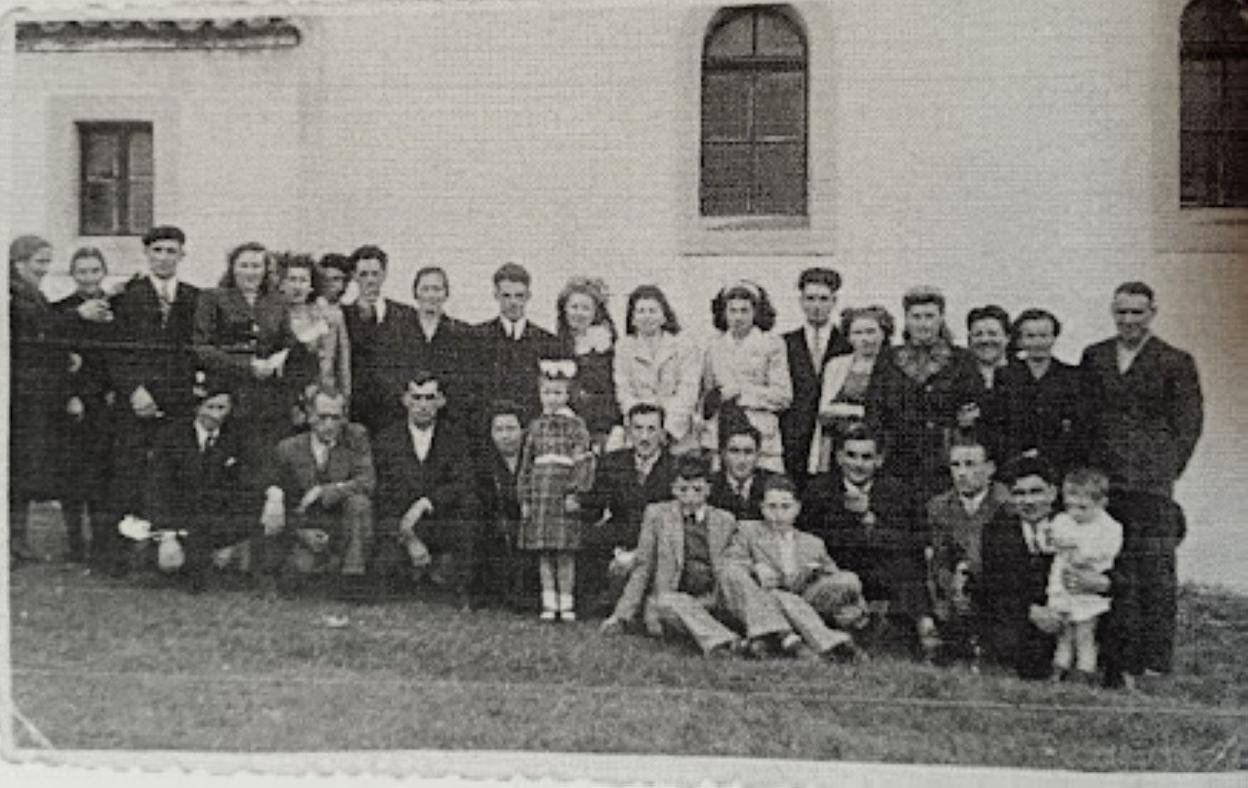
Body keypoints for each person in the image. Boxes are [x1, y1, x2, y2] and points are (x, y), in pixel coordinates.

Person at [1080, 281, 1203, 679]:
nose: (1128, 320)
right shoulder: (1095, 356)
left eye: (1137, 312)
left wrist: (1165, 470)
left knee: (1154, 569)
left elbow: (1188, 425)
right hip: (1106, 483)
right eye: (1122, 312)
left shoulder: (1175, 361)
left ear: (1152, 312)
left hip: (1150, 486)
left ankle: (1153, 659)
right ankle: (1110, 655)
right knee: (1107, 566)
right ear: (1112, 312)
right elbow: (1085, 419)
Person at [600, 453, 793, 658]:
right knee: (667, 601)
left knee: (734, 573)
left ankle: (774, 634)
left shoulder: (724, 519)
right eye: (683, 490)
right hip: (675, 600)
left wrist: (756, 567)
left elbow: (736, 559)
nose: (690, 497)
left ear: (709, 490)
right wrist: (620, 615)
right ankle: (729, 642)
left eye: (698, 490)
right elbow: (643, 567)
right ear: (673, 488)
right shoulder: (657, 515)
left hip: (713, 598)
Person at [100, 225, 200, 574]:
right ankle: (119, 557)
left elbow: (197, 351)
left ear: (182, 255)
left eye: (170, 251)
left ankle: (169, 552)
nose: (163, 258)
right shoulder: (127, 296)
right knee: (128, 471)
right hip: (136, 399)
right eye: (156, 250)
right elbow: (114, 351)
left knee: (171, 472)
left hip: (178, 401)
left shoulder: (195, 298)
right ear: (146, 254)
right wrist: (133, 390)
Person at [800, 423, 928, 653]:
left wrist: (870, 520)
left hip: (881, 573)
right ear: (839, 457)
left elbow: (909, 542)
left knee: (908, 567)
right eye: (851, 455)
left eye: (866, 457)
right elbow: (811, 542)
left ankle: (920, 633)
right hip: (838, 571)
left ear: (879, 460)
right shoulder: (819, 491)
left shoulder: (897, 492)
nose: (858, 464)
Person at [725, 476, 866, 660]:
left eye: (785, 507)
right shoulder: (748, 531)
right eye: (772, 507)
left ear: (797, 508)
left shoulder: (812, 543)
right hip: (764, 598)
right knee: (776, 594)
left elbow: (835, 575)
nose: (778, 514)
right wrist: (755, 567)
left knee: (848, 579)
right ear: (762, 507)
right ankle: (825, 643)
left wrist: (859, 609)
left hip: (807, 597)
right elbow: (730, 561)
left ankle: (791, 638)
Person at [372, 371, 481, 608]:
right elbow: (382, 495)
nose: (423, 405)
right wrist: (408, 538)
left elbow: (464, 483)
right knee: (388, 568)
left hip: (439, 520)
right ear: (405, 400)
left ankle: (452, 584)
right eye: (417, 397)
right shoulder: (386, 439)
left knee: (469, 508)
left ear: (441, 401)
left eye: (429, 398)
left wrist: (426, 502)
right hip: (400, 525)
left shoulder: (456, 437)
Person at [193, 243, 303, 468]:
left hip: (268, 397)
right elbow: (202, 347)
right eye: (244, 265)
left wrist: (278, 359)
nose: (250, 272)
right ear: (233, 268)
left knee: (265, 460)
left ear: (265, 270)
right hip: (227, 393)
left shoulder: (276, 302)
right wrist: (247, 365)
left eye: (256, 266)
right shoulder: (213, 298)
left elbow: (288, 342)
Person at [261, 387, 376, 600]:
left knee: (359, 502)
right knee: (300, 570)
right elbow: (281, 498)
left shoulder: (356, 438)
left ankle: (353, 579)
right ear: (309, 415)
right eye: (322, 417)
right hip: (305, 527)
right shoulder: (288, 448)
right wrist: (301, 533)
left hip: (343, 526)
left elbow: (367, 481)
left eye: (336, 417)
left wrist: (326, 490)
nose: (330, 425)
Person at [868, 286, 981, 500]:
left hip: (943, 461)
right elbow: (874, 411)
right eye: (916, 317)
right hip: (897, 460)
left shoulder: (961, 359)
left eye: (929, 316)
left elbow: (973, 409)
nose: (923, 323)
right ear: (907, 320)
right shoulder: (888, 359)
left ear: (941, 319)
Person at [147, 374, 257, 592]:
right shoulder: (171, 438)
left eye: (222, 408)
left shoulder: (238, 439)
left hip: (218, 523)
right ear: (197, 407)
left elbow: (245, 489)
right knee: (168, 563)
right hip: (178, 521)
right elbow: (157, 488)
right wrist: (167, 534)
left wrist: (230, 539)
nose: (215, 414)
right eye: (210, 406)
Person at [9, 235, 73, 565]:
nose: (45, 269)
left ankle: (17, 542)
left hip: (32, 395)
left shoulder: (31, 294)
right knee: (15, 470)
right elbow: (42, 330)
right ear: (20, 263)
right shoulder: (15, 296)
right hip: (21, 396)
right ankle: (13, 542)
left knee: (20, 472)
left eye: (48, 262)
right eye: (40, 262)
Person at [578, 402, 677, 614]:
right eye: (638, 428)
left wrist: (637, 553)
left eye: (651, 429)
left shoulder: (675, 467)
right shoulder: (612, 461)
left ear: (662, 432)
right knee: (584, 537)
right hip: (620, 534)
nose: (644, 437)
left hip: (659, 543)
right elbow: (594, 507)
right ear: (628, 431)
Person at [517, 360, 597, 621]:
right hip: (540, 493)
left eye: (558, 393)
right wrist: (525, 498)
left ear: (567, 395)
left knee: (564, 553)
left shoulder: (576, 426)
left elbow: (583, 462)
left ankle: (566, 601)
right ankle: (548, 601)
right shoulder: (535, 426)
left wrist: (575, 493)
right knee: (544, 552)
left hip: (562, 494)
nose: (552, 398)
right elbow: (526, 464)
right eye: (547, 392)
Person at [53, 246, 118, 563]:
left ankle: (102, 541)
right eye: (82, 272)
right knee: (73, 473)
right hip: (77, 402)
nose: (89, 278)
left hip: (107, 399)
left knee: (103, 472)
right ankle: (75, 541)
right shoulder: (62, 310)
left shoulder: (115, 306)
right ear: (73, 275)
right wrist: (70, 395)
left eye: (94, 271)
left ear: (103, 272)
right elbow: (56, 357)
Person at [924, 433, 1011, 661]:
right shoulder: (938, 506)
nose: (961, 473)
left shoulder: (1007, 504)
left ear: (990, 468)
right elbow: (939, 557)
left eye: (970, 464)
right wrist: (951, 589)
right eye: (956, 465)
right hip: (952, 590)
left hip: (994, 588)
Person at [977, 453, 1060, 679]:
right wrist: (1030, 611)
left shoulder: (1072, 526)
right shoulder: (996, 532)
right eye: (1019, 494)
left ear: (1052, 492)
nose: (1028, 501)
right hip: (1022, 619)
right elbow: (994, 588)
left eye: (1036, 492)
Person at [1043, 467, 1123, 683]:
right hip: (1063, 584)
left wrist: (1083, 553)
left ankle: (1085, 670)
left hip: (1088, 586)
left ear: (1101, 503)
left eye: (1082, 507)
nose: (1075, 513)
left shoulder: (1108, 527)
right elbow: (1050, 539)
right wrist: (1056, 541)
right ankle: (1059, 667)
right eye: (1070, 506)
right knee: (1064, 630)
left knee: (1085, 632)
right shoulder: (1063, 520)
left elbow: (1108, 550)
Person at [702, 281, 792, 473]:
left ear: (756, 312)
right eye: (732, 311)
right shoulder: (713, 346)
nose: (738, 317)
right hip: (722, 433)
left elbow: (783, 396)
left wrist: (741, 392)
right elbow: (707, 394)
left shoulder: (772, 344)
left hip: (761, 433)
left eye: (744, 311)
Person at [994, 308, 1091, 477]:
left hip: (1060, 467)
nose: (1038, 343)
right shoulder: (1005, 376)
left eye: (1044, 336)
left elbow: (1079, 430)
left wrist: (1047, 454)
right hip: (1013, 466)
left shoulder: (1073, 377)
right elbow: (999, 425)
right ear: (1020, 340)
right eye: (1030, 336)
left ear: (1054, 337)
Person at [780, 268, 851, 487]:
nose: (816, 306)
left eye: (823, 299)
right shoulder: (784, 343)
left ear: (834, 301)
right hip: (793, 439)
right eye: (810, 298)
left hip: (834, 439)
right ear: (801, 301)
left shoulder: (847, 343)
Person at [612, 284, 702, 454]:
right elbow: (623, 390)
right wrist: (642, 428)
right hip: (637, 430)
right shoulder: (623, 348)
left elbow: (688, 391)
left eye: (653, 311)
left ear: (664, 316)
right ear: (632, 318)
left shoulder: (685, 347)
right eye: (641, 311)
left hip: (677, 431)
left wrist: (666, 430)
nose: (647, 317)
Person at [342, 245, 420, 437]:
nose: (370, 280)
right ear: (354, 276)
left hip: (395, 412)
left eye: (375, 274)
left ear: (384, 274)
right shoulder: (343, 316)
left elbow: (413, 359)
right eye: (364, 274)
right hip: (358, 412)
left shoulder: (406, 315)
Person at [810, 305, 896, 475]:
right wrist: (861, 411)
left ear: (883, 333)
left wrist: (846, 411)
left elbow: (890, 412)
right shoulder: (836, 365)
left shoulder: (893, 365)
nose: (865, 339)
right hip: (838, 442)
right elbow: (825, 410)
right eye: (857, 333)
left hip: (880, 445)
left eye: (871, 332)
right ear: (848, 337)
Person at [474, 262, 561, 427]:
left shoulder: (547, 341)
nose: (513, 302)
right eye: (506, 296)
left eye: (519, 296)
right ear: (496, 295)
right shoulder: (478, 338)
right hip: (488, 430)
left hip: (533, 428)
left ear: (529, 296)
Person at [473, 400, 533, 609]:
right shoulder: (483, 463)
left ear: (523, 431)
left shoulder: (534, 460)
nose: (505, 436)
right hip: (497, 533)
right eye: (498, 430)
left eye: (511, 429)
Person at [556, 276, 619, 448]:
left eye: (585, 308)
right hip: (565, 426)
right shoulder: (555, 344)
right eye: (574, 307)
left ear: (595, 312)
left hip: (600, 424)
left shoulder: (605, 347)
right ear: (565, 310)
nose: (579, 313)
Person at [280, 254, 351, 402]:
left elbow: (343, 365)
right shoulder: (272, 317)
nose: (297, 286)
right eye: (292, 279)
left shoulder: (330, 317)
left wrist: (344, 399)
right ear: (282, 284)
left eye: (303, 280)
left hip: (323, 398)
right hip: (281, 397)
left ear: (311, 286)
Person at [409, 266, 474, 426]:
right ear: (416, 293)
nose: (431, 295)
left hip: (450, 419)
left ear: (446, 294)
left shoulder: (462, 332)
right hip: (410, 417)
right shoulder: (399, 331)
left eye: (437, 289)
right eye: (425, 289)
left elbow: (467, 381)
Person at [708, 421, 778, 522]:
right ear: (723, 454)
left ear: (758, 455)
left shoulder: (772, 485)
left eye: (748, 452)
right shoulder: (710, 485)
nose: (741, 460)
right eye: (734, 451)